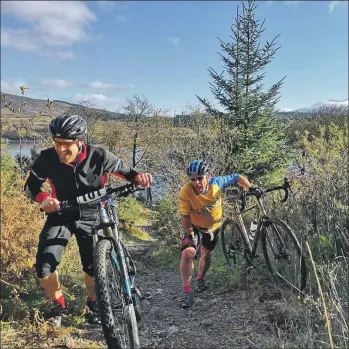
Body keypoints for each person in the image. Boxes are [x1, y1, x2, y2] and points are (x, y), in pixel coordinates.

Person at [24, 113, 152, 327]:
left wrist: (140, 177)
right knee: (44, 266)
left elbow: (128, 173)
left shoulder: (100, 156)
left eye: (66, 145)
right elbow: (30, 187)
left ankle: (93, 304)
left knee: (93, 265)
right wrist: (44, 199)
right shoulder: (47, 158)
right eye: (56, 143)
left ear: (80, 142)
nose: (60, 149)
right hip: (61, 214)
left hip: (94, 213)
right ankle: (58, 306)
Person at [178, 159, 254, 308]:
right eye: (193, 179)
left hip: (214, 227)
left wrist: (249, 188)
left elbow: (237, 177)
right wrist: (190, 235)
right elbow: (185, 215)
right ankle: (187, 292)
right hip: (195, 227)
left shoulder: (217, 183)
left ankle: (200, 280)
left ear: (208, 176)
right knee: (188, 253)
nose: (197, 182)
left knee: (206, 254)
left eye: (200, 178)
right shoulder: (185, 191)